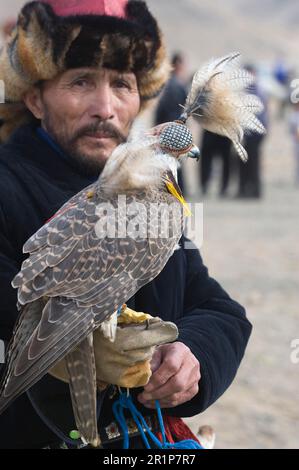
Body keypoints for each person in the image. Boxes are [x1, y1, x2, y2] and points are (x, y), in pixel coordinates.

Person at [0, 0, 252, 449]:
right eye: (80, 81)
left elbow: (219, 308)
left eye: (122, 84)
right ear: (36, 98)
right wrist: (78, 337)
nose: (105, 106)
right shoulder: (7, 186)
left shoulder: (154, 195)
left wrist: (191, 357)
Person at [154, 52, 188, 193]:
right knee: (173, 165)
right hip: (172, 131)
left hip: (169, 130)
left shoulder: (168, 85)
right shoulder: (175, 85)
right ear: (178, 65)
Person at [236, 65, 268, 199]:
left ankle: (253, 191)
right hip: (252, 132)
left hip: (255, 132)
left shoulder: (256, 91)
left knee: (252, 161)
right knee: (246, 161)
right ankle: (246, 189)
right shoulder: (252, 90)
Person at [199, 130, 232, 197]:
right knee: (206, 157)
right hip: (210, 128)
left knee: (226, 158)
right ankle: (204, 184)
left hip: (225, 130)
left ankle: (224, 187)